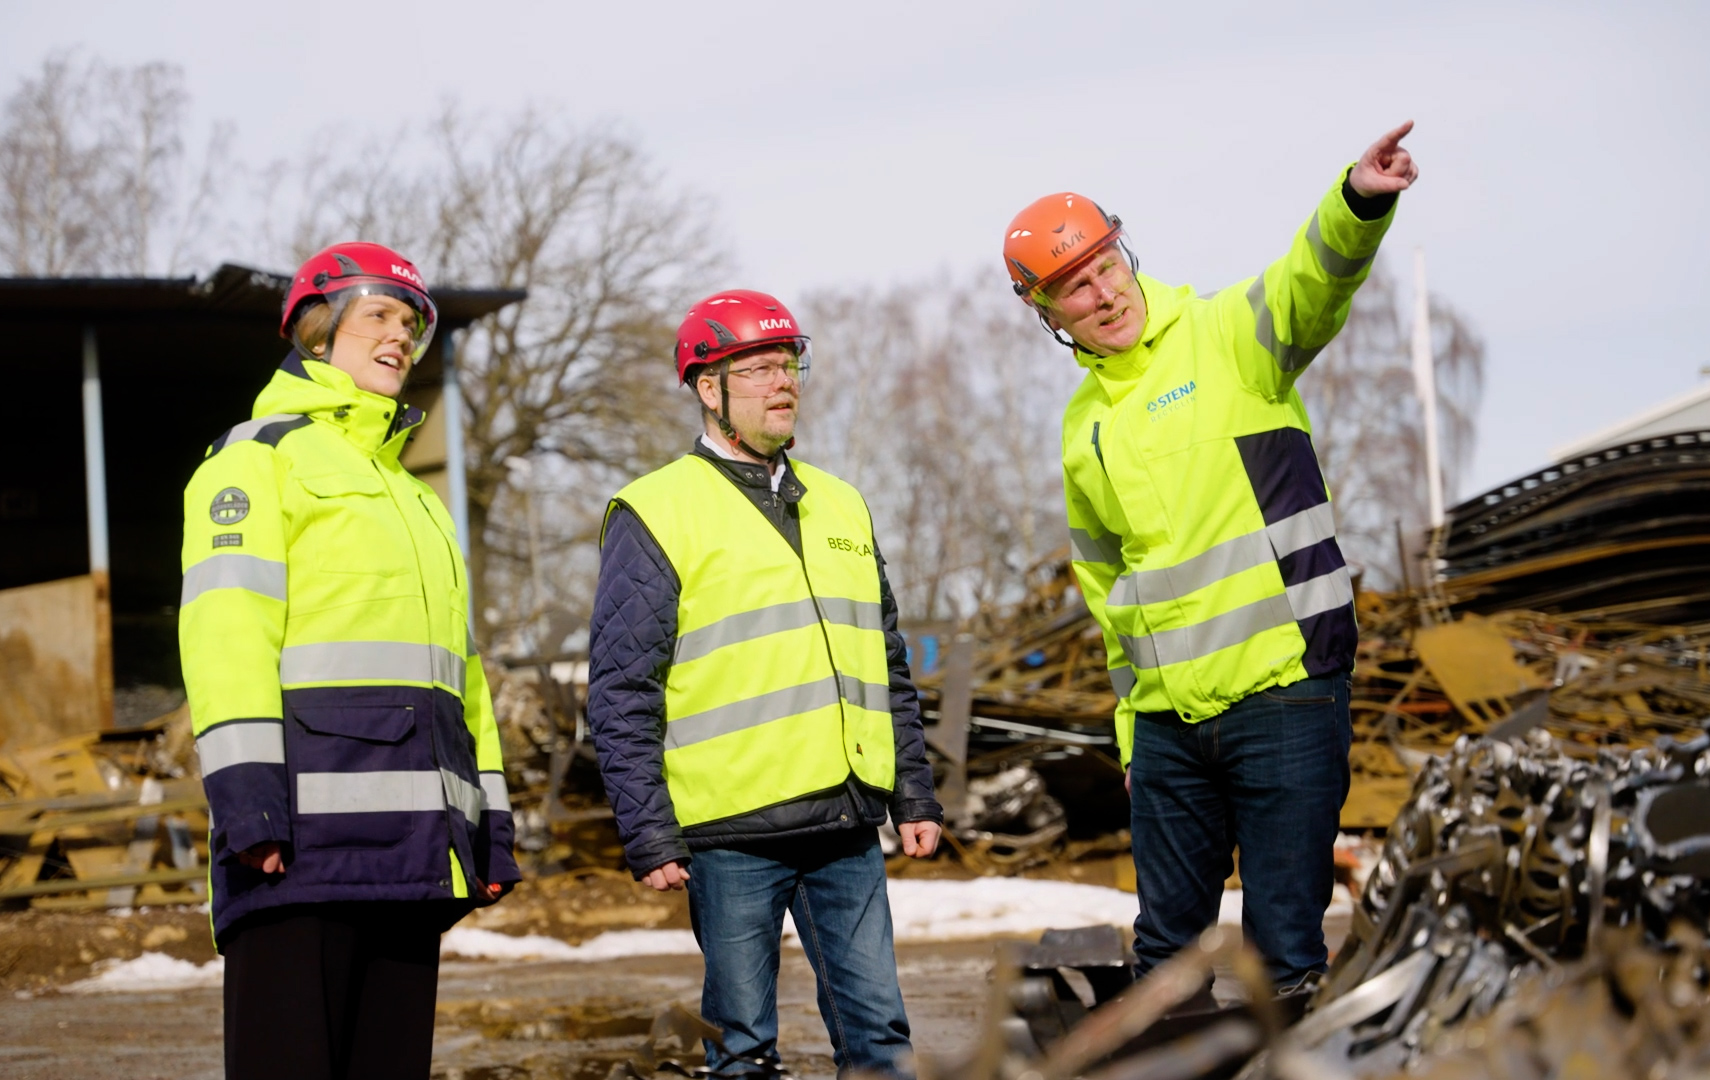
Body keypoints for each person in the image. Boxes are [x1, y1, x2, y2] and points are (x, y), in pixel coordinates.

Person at [1000, 123, 1420, 992]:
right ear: (1047, 314)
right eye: (1076, 289)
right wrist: (1132, 733)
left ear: (1127, 254)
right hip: (1167, 731)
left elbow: (1312, 280)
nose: (1104, 295)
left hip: (1286, 696)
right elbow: (1110, 594)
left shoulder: (1229, 337)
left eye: (1108, 267)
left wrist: (1355, 203)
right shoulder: (1084, 429)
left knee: (1284, 956)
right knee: (1165, 960)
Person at [179, 241, 521, 1079]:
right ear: (317, 330)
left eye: (413, 325)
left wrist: (492, 823)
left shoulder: (417, 500)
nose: (401, 336)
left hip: (414, 854)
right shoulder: (255, 459)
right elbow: (227, 632)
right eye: (381, 316)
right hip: (298, 849)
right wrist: (248, 803)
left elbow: (463, 676)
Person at [587, 289, 944, 1078]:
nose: (782, 382)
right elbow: (621, 689)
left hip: (846, 823)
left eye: (789, 365)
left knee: (882, 1044)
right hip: (730, 836)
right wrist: (648, 832)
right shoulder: (656, 511)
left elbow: (885, 666)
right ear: (707, 388)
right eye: (757, 369)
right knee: (742, 1052)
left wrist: (914, 794)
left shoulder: (841, 504)